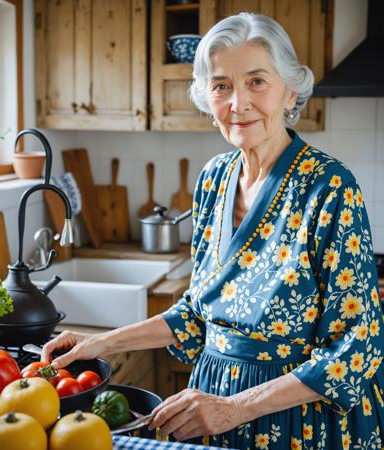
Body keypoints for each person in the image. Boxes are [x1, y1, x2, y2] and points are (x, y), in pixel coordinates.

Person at [41, 12, 384, 449]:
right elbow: (196, 316)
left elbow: (355, 350)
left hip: (299, 423)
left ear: (290, 90)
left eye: (257, 81)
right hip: (210, 409)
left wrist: (236, 408)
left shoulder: (328, 187)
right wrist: (100, 344)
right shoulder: (213, 179)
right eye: (221, 85)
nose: (237, 103)